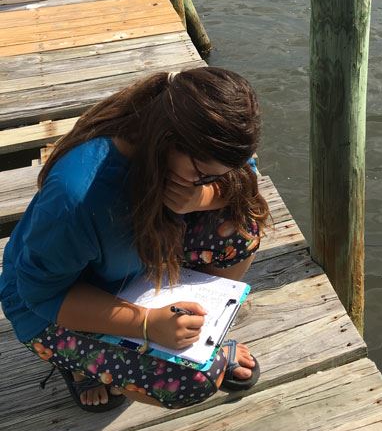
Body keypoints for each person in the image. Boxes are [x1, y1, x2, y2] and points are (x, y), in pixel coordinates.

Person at [0, 67, 268, 411]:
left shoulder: (197, 133)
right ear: (168, 140)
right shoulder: (76, 197)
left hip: (130, 265)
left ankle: (199, 333)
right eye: (202, 175)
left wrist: (202, 198)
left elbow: (246, 177)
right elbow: (42, 295)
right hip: (52, 306)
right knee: (190, 380)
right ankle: (78, 365)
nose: (207, 182)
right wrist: (147, 324)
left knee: (242, 226)